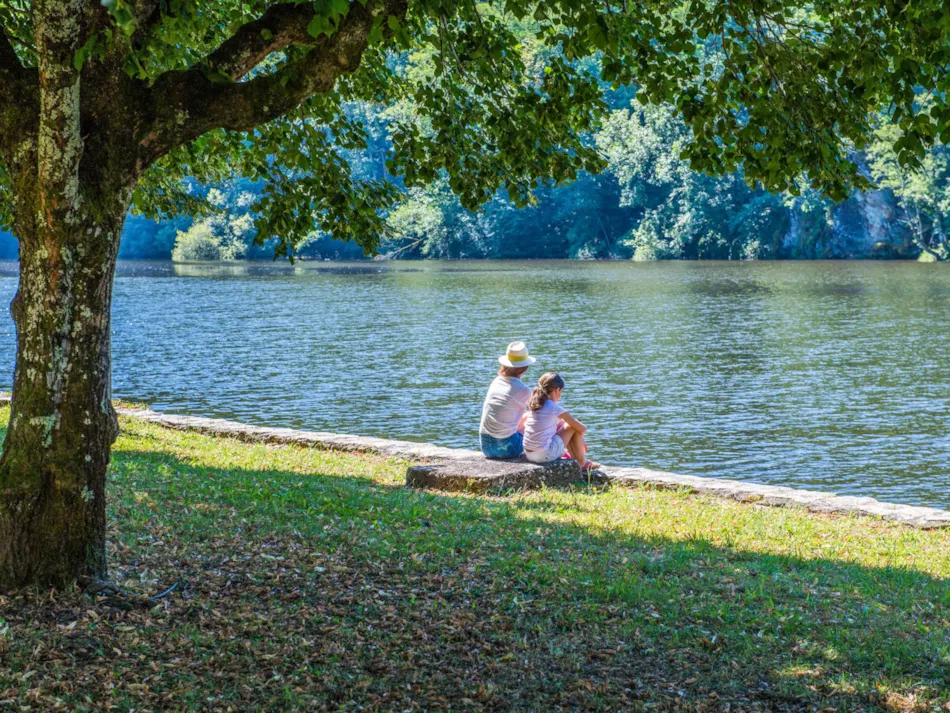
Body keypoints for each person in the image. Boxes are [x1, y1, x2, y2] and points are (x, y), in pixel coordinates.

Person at [523, 371, 600, 471]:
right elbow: (581, 428)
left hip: (529, 454)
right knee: (572, 425)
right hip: (543, 455)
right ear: (557, 390)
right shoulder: (553, 407)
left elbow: (559, 425)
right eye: (561, 392)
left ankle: (575, 458)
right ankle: (582, 462)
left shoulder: (535, 404)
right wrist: (580, 440)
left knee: (565, 425)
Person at [479, 341, 536, 458]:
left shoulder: (496, 382)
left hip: (486, 447)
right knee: (543, 420)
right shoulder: (523, 390)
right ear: (523, 368)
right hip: (506, 448)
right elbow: (539, 414)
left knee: (526, 417)